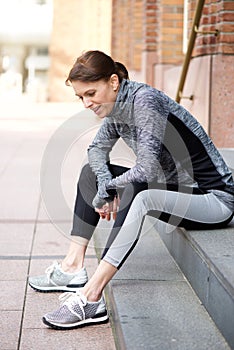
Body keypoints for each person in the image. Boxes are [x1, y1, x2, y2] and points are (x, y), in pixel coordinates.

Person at [29, 50, 234, 330]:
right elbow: (96, 150)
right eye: (81, 97)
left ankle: (91, 296)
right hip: (175, 190)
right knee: (91, 173)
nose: (87, 103)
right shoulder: (116, 109)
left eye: (91, 93)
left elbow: (147, 171)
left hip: (214, 200)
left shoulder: (145, 102)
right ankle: (72, 266)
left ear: (113, 81)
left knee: (140, 191)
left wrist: (110, 188)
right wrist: (104, 185)